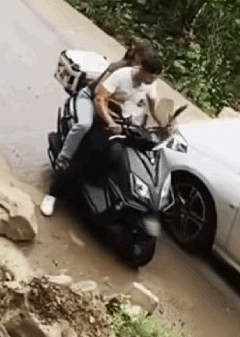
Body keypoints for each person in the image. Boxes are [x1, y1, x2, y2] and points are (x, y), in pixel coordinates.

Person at [42, 49, 166, 216]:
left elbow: (153, 108)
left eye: (155, 77)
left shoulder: (150, 84)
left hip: (125, 123)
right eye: (151, 76)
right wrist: (110, 122)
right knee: (85, 150)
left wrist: (164, 124)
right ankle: (54, 191)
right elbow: (100, 99)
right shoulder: (121, 75)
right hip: (104, 116)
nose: (152, 80)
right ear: (142, 69)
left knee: (127, 156)